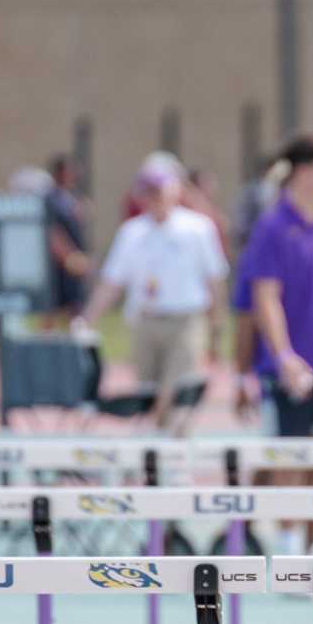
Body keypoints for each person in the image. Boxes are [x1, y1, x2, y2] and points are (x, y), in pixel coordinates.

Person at [235, 136, 313, 549]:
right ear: (304, 171)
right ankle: (288, 544)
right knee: (290, 458)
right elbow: (264, 298)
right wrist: (284, 356)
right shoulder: (273, 226)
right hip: (292, 366)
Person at [78, 154, 229, 433]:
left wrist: (216, 325)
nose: (154, 197)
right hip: (146, 320)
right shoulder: (133, 232)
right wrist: (88, 317)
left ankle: (175, 457)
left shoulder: (197, 228)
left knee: (177, 390)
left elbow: (214, 279)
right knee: (148, 395)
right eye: (149, 191)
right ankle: (158, 461)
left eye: (159, 189)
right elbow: (112, 282)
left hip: (185, 320)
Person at [42, 154, 91, 326]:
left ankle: (74, 343)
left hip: (75, 262)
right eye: (70, 171)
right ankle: (45, 347)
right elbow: (51, 231)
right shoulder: (50, 199)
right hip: (58, 266)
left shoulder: (72, 198)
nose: (74, 175)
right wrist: (69, 257)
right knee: (52, 310)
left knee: (76, 308)